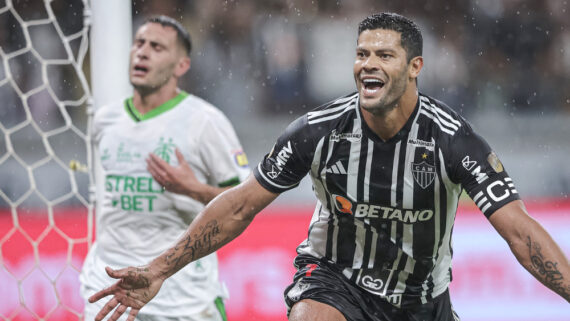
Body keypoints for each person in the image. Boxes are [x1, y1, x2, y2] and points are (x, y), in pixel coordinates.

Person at [88, 13, 569, 321]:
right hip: (336, 280)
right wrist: (158, 269)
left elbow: (520, 233)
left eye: (384, 55)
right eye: (362, 54)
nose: (368, 64)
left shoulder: (451, 140)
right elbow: (238, 206)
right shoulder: (317, 132)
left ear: (415, 67)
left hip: (422, 300)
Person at [79, 15, 250, 321]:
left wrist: (193, 189)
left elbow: (244, 201)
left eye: (156, 47)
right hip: (109, 289)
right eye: (139, 43)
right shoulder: (105, 120)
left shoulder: (205, 121)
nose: (142, 52)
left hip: (183, 296)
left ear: (181, 66)